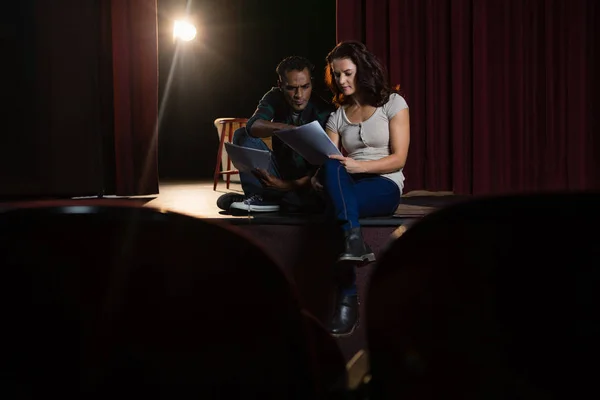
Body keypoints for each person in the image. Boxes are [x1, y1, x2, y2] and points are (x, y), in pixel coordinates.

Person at [318, 41, 410, 336]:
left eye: (347, 73)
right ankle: (354, 241)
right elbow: (329, 158)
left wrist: (360, 167)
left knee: (336, 207)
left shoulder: (393, 103)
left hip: (384, 184)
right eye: (337, 75)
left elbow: (399, 159)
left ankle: (346, 298)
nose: (342, 81)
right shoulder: (337, 116)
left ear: (362, 70)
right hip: (348, 184)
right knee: (331, 165)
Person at [216, 56, 335, 213]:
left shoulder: (323, 111)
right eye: (291, 88)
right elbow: (253, 126)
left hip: (304, 184)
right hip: (279, 171)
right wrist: (288, 129)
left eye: (305, 87)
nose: (299, 95)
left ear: (311, 83)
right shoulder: (275, 96)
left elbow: (324, 170)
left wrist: (285, 186)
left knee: (299, 201)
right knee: (242, 135)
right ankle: (260, 198)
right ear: (280, 85)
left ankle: (270, 199)